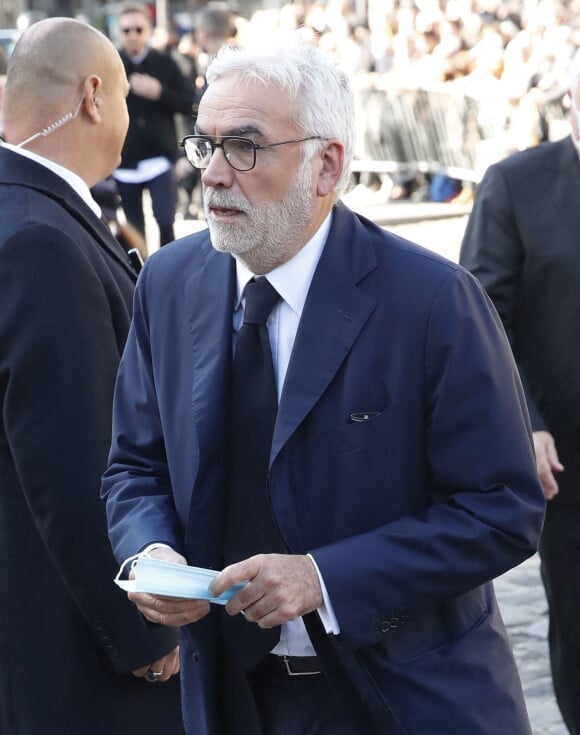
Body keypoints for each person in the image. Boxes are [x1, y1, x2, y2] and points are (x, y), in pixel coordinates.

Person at [102, 38, 545, 735]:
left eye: (244, 147)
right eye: (205, 144)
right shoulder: (169, 281)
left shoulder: (433, 301)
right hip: (228, 696)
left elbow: (503, 508)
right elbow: (134, 463)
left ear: (326, 165)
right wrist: (151, 550)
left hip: (403, 696)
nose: (214, 174)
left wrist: (324, 577)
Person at [0, 17, 184, 734]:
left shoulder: (31, 212)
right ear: (94, 96)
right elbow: (76, 461)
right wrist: (141, 627)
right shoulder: (40, 240)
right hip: (70, 647)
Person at [460, 50, 580, 735]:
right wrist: (523, 420)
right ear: (569, 101)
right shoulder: (517, 185)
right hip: (566, 452)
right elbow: (482, 314)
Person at [113, 3, 195, 248]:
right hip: (125, 161)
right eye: (126, 31)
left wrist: (159, 92)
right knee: (133, 228)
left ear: (148, 31)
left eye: (138, 29)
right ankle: (137, 280)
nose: (133, 36)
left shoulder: (166, 63)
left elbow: (189, 103)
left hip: (159, 157)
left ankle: (166, 275)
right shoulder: (111, 63)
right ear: (119, 33)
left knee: (165, 220)